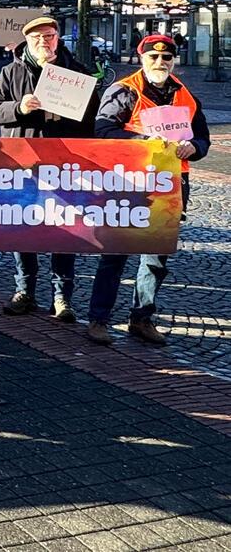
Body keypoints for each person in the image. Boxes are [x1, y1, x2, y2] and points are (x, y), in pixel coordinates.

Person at [86, 34, 210, 346]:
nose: (160, 62)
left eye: (166, 58)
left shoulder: (186, 95)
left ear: (173, 61)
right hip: (129, 181)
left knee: (156, 257)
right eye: (153, 57)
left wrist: (192, 146)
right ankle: (99, 319)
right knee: (116, 252)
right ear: (141, 59)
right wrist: (143, 142)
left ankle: (141, 317)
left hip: (171, 183)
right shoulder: (124, 90)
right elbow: (103, 130)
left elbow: (203, 139)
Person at [0, 15, 98, 322]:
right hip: (23, 164)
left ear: (57, 38)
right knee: (24, 229)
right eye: (36, 37)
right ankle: (25, 291)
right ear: (27, 41)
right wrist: (19, 108)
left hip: (64, 165)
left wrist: (72, 113)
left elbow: (92, 122)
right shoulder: (10, 72)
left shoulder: (77, 73)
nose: (43, 42)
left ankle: (62, 297)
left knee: (66, 230)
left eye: (48, 36)